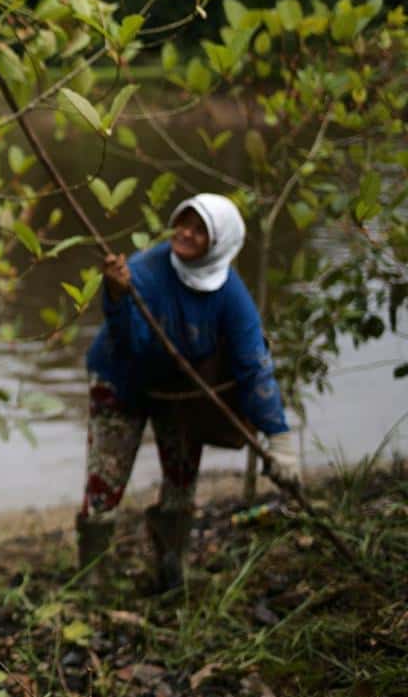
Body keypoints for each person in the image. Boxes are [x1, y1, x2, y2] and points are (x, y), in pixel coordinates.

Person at [76, 193, 299, 594]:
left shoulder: (230, 294)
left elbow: (253, 365)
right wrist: (115, 296)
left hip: (178, 391)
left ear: (219, 243)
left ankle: (171, 568)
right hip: (121, 381)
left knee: (182, 479)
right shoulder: (145, 271)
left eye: (200, 230)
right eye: (184, 223)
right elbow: (134, 346)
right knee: (106, 478)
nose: (186, 234)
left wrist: (278, 436)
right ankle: (90, 578)